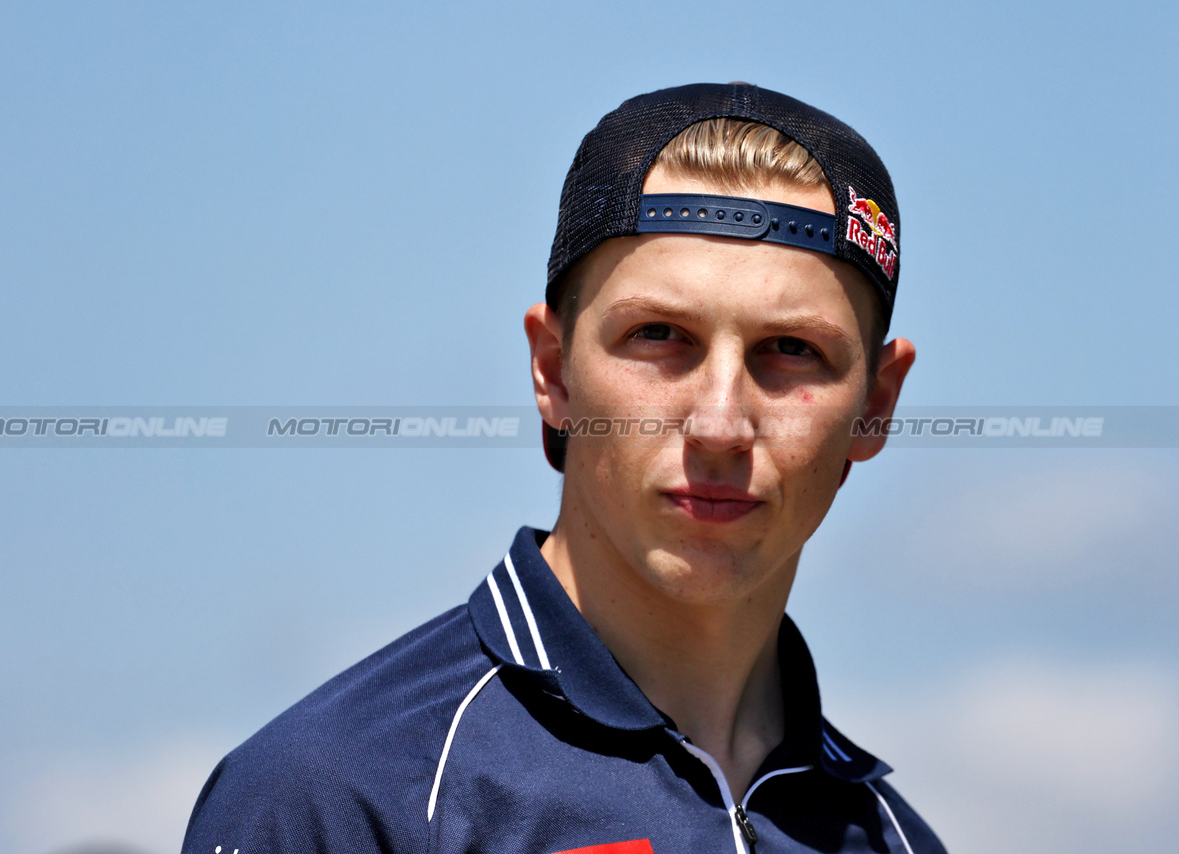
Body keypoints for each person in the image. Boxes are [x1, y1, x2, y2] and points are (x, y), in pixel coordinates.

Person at [182, 83, 945, 854]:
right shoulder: (343, 795)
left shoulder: (895, 841)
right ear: (553, 372)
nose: (720, 423)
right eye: (659, 334)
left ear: (876, 405)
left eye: (791, 350)